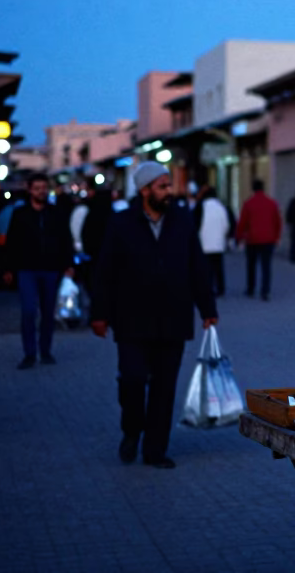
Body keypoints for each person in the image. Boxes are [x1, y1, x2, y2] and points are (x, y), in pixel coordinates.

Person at [89, 161, 217, 469]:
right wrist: (99, 314)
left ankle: (155, 450)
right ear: (145, 190)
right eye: (162, 186)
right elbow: (104, 270)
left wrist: (208, 309)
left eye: (169, 185)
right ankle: (132, 430)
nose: (168, 191)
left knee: (164, 388)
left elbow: (197, 266)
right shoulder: (121, 223)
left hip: (173, 319)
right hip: (131, 319)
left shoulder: (182, 221)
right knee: (132, 380)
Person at [5, 173, 75, 369]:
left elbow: (65, 240)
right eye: (37, 188)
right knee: (28, 311)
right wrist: (9, 268)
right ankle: (29, 353)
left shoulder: (56, 213)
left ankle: (45, 351)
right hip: (27, 270)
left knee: (47, 312)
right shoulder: (21, 214)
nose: (41, 192)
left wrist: (68, 265)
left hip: (51, 269)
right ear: (30, 190)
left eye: (44, 188)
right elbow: (12, 242)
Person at [236, 178, 282, 300]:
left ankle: (251, 288)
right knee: (266, 266)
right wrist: (277, 237)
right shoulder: (272, 203)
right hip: (268, 239)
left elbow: (242, 222)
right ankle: (265, 291)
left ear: (253, 189)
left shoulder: (248, 203)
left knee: (251, 265)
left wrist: (239, 237)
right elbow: (277, 222)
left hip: (252, 239)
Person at [195, 186, 234, 296]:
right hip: (218, 244)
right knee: (218, 268)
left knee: (206, 268)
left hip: (204, 243)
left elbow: (196, 224)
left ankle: (207, 287)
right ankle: (221, 288)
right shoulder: (222, 207)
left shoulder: (201, 206)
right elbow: (227, 224)